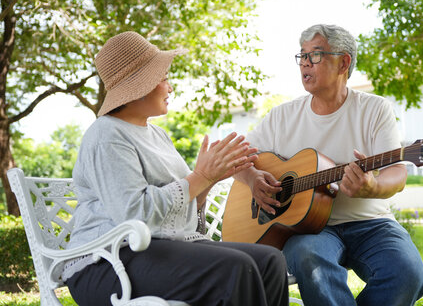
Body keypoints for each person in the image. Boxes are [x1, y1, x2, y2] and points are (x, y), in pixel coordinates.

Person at [62, 31, 290, 306]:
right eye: (164, 78)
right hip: (106, 262)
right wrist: (201, 176)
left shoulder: (158, 136)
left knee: (270, 261)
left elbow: (184, 215)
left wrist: (211, 180)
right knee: (240, 267)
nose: (170, 88)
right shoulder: (106, 136)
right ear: (140, 85)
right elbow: (135, 216)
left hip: (158, 249)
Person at [234, 24, 423, 305]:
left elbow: (396, 172)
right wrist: (252, 179)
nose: (304, 64)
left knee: (407, 275)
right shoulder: (281, 117)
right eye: (301, 56)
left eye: (314, 55)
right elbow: (237, 158)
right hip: (308, 230)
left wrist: (372, 187)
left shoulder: (374, 109)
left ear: (343, 62)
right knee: (312, 262)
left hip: (371, 223)